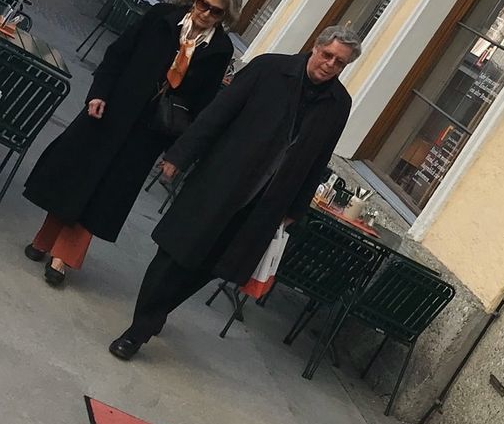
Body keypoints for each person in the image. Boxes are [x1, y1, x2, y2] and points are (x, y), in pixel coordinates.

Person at [110, 25, 361, 360]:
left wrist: (295, 208)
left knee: (212, 265)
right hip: (219, 181)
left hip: (264, 203)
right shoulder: (269, 69)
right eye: (327, 55)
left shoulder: (338, 104)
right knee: (172, 253)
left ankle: (155, 313)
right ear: (314, 48)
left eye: (339, 62)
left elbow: (319, 158)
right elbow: (218, 114)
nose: (330, 64)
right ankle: (138, 330)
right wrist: (180, 155)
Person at [22, 0, 240, 287]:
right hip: (112, 111)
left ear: (225, 15)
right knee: (76, 176)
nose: (205, 13)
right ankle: (44, 239)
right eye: (202, 4)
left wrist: (177, 152)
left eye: (215, 11)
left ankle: (63, 257)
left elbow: (202, 105)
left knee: (107, 193)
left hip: (150, 132)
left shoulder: (219, 49)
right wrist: (97, 93)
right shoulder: (161, 17)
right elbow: (119, 53)